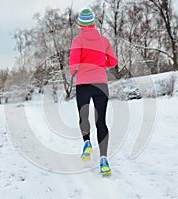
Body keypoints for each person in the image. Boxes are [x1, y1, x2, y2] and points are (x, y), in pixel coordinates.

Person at [69, 8, 118, 175]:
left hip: (83, 84)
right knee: (101, 121)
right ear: (93, 23)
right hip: (101, 84)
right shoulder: (104, 41)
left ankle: (87, 143)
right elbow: (113, 61)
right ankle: (104, 160)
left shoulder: (78, 40)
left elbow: (73, 64)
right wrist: (101, 65)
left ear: (80, 25)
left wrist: (74, 71)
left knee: (84, 116)